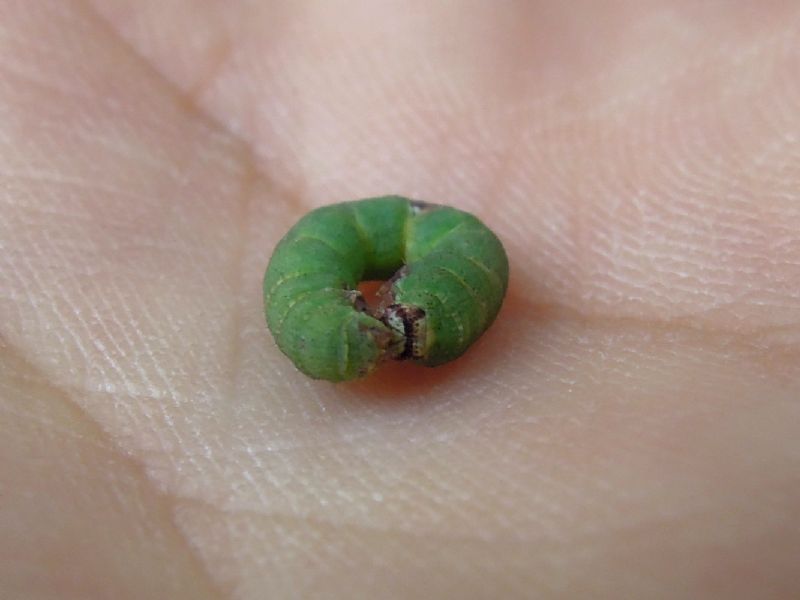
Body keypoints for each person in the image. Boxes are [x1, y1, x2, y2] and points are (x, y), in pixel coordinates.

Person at [2, 2, 798, 598]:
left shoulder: (430, 255)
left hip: (426, 240)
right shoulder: (342, 280)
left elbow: (453, 260)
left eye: (386, 328)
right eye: (391, 330)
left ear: (351, 298)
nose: (388, 337)